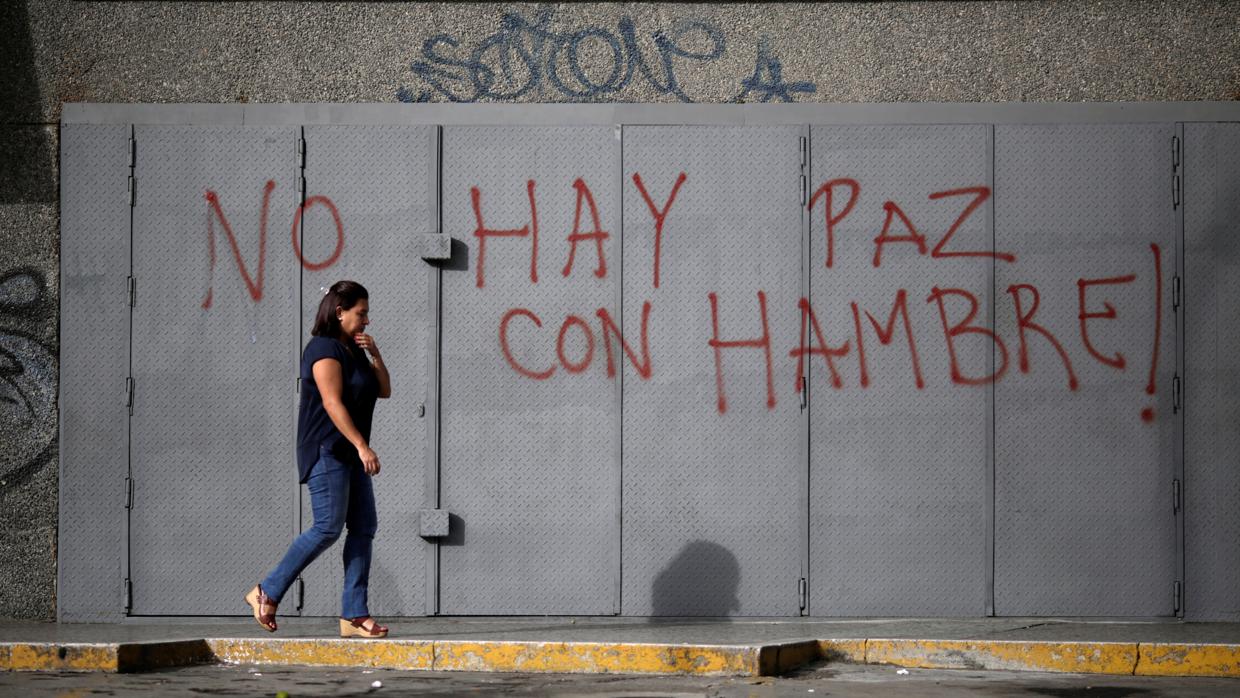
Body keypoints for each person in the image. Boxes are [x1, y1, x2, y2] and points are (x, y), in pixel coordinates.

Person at [245, 280, 392, 638]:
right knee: (327, 527)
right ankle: (267, 590)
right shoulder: (323, 349)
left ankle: (354, 614)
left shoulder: (356, 350)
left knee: (363, 527)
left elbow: (384, 390)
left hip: (350, 452)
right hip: (328, 450)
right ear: (339, 312)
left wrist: (376, 354)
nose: (367, 320)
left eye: (367, 313)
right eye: (361, 313)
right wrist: (362, 446)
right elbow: (331, 403)